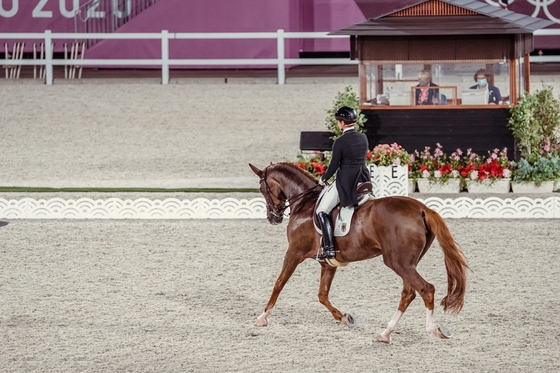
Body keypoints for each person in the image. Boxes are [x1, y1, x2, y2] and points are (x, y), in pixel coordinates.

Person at [315, 106, 370, 260]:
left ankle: (329, 249)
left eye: (339, 122)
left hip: (347, 181)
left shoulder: (340, 141)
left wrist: (324, 178)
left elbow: (334, 166)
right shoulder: (363, 138)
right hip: (363, 179)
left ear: (342, 123)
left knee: (322, 211)